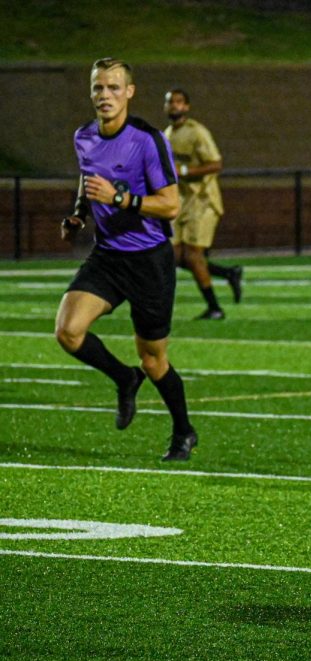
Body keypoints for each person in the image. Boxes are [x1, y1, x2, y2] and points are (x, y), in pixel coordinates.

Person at [57, 57, 198, 461]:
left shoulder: (148, 139)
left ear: (130, 93)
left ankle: (184, 432)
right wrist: (78, 215)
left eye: (114, 88)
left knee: (154, 360)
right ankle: (123, 378)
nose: (105, 95)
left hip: (149, 259)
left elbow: (171, 204)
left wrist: (122, 199)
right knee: (68, 331)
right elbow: (87, 179)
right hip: (108, 255)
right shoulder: (83, 136)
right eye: (99, 88)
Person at [163, 88, 243, 320]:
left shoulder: (197, 132)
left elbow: (216, 164)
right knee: (173, 257)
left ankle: (215, 308)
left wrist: (184, 171)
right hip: (181, 201)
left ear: (186, 106)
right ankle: (228, 273)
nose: (174, 106)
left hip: (203, 200)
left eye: (178, 102)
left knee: (193, 256)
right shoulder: (167, 134)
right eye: (170, 102)